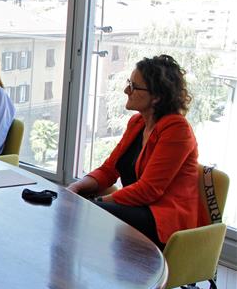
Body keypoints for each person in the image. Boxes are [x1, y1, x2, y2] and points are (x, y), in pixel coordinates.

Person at [67, 55, 208, 249]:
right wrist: (75, 188)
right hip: (138, 208)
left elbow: (149, 190)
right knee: (73, 207)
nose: (126, 90)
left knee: (87, 214)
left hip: (164, 219)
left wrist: (97, 201)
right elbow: (109, 170)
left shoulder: (177, 129)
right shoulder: (137, 123)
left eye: (134, 86)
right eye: (128, 83)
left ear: (157, 96)